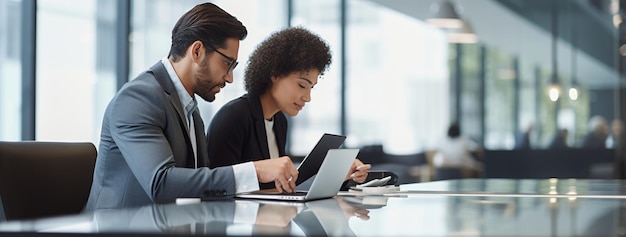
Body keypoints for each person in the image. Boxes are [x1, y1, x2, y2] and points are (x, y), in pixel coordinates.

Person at [85, 3, 299, 211]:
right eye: (227, 63)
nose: (230, 78)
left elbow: (198, 185)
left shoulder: (190, 109)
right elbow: (161, 183)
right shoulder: (138, 98)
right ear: (197, 51)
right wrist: (256, 171)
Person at [206, 27, 369, 189]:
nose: (307, 97)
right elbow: (217, 187)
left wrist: (338, 174)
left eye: (311, 88)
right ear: (275, 74)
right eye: (302, 85)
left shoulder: (279, 121)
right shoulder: (233, 117)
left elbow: (281, 186)